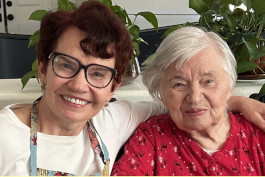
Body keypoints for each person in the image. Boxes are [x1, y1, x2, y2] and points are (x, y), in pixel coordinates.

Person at [0, 2, 264, 176]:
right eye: (67, 66)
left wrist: (233, 101)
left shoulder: (112, 121)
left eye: (98, 73)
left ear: (113, 87)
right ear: (43, 69)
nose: (80, 85)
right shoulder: (5, 137)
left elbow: (183, 105)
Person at [111, 26, 265, 176]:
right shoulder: (150, 138)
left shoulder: (257, 132)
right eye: (179, 84)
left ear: (230, 85)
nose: (195, 98)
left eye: (208, 81)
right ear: (161, 93)